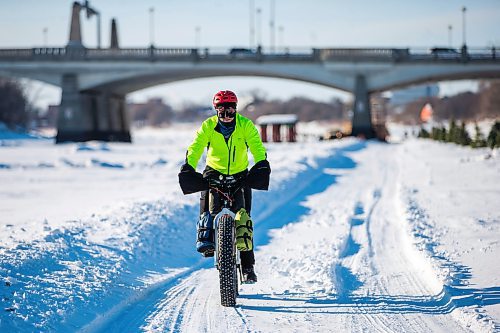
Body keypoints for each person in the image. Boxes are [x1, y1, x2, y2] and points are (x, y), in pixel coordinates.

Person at [178, 90, 271, 283]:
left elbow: (257, 146)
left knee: (244, 220)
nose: (226, 115)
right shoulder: (208, 126)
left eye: (230, 111)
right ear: (216, 111)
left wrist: (261, 163)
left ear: (235, 109)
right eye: (222, 111)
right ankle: (206, 240)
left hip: (239, 174)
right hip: (214, 171)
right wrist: (189, 166)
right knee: (207, 212)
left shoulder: (245, 125)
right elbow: (196, 148)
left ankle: (247, 267)